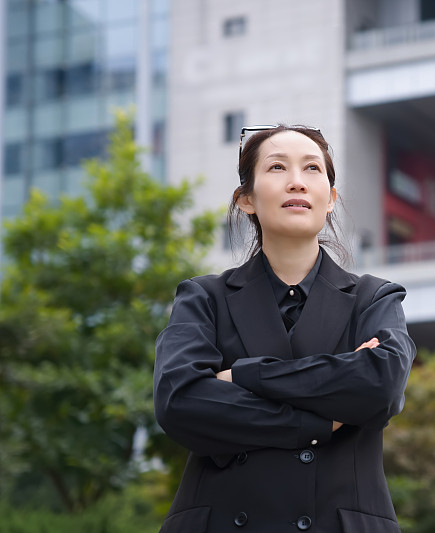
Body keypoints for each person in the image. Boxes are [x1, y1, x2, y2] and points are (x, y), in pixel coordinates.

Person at [153, 124, 416, 532]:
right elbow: (179, 402)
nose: (297, 182)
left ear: (330, 199)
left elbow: (380, 386)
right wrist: (313, 424)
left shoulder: (374, 298)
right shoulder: (204, 297)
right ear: (246, 199)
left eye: (312, 169)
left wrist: (244, 374)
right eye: (277, 167)